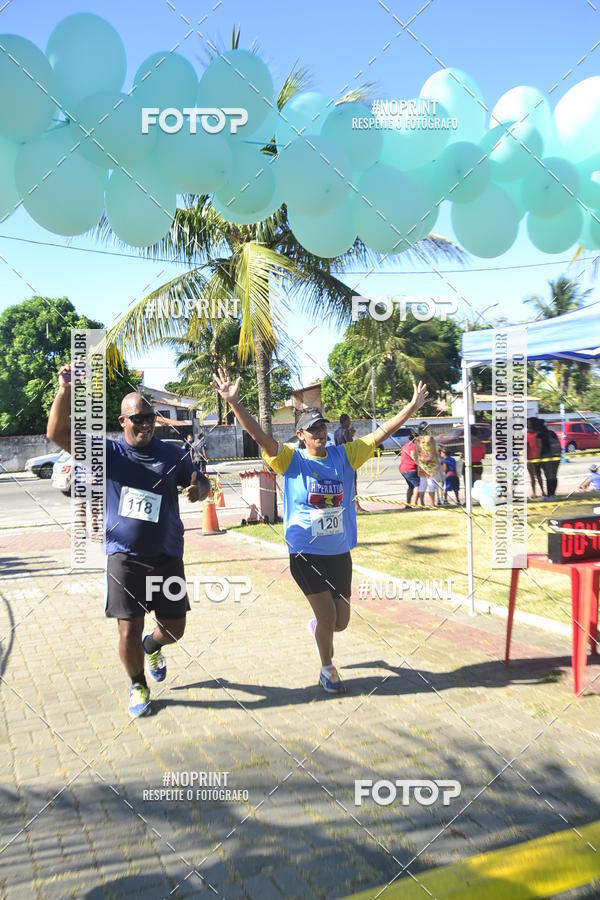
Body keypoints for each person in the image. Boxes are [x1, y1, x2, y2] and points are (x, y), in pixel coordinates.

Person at [213, 368, 428, 694]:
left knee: (340, 622)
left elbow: (382, 433)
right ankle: (327, 670)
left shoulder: (345, 455)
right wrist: (235, 404)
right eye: (312, 430)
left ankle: (320, 628)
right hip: (305, 553)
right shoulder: (290, 460)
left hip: (339, 553)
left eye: (322, 427)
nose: (319, 433)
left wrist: (411, 407)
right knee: (328, 616)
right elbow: (260, 437)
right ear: (300, 434)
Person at [47, 364, 210, 718]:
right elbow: (58, 433)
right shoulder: (110, 453)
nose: (145, 424)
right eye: (137, 419)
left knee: (175, 628)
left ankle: (151, 646)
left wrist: (200, 488)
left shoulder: (171, 452)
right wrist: (65, 390)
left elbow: (199, 477)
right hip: (125, 557)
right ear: (123, 422)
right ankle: (138, 684)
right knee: (127, 628)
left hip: (167, 554)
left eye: (150, 417)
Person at [333, 413, 363, 512]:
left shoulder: (336, 432)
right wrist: (351, 435)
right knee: (353, 484)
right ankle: (357, 506)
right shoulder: (345, 431)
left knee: (342, 485)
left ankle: (343, 505)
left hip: (340, 460)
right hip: (348, 460)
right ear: (345, 421)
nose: (350, 422)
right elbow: (351, 444)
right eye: (349, 420)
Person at [414, 430, 442, 508]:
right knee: (431, 484)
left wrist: (418, 463)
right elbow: (434, 452)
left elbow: (415, 454)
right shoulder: (430, 439)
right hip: (431, 464)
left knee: (422, 485)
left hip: (422, 465)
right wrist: (438, 463)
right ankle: (432, 504)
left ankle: (422, 503)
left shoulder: (417, 440)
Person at [536, 419, 561, 499]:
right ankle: (553, 494)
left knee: (549, 476)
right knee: (554, 475)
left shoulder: (539, 434)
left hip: (546, 457)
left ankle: (550, 495)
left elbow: (539, 447)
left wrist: (538, 459)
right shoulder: (552, 433)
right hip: (556, 456)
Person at [398, 430, 419, 507]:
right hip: (410, 469)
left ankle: (408, 504)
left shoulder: (405, 445)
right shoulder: (413, 446)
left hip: (403, 469)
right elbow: (413, 456)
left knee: (411, 486)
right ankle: (414, 504)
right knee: (418, 486)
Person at [526, 417, 544, 497]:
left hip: (536, 457)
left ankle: (543, 491)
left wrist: (538, 458)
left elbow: (539, 446)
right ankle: (534, 493)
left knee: (539, 476)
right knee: (531, 477)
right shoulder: (526, 433)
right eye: (527, 423)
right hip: (529, 458)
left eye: (529, 423)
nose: (528, 424)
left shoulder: (537, 434)